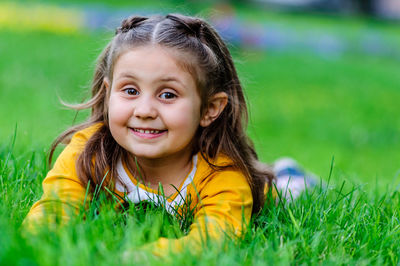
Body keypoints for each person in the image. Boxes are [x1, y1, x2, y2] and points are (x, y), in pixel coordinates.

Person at [23, 13, 314, 257]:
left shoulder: (222, 173)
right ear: (107, 92)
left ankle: (290, 175)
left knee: (285, 188)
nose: (145, 110)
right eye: (131, 91)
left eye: (167, 94)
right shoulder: (89, 150)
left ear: (209, 108)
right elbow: (54, 210)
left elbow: (215, 240)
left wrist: (144, 257)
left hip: (273, 189)